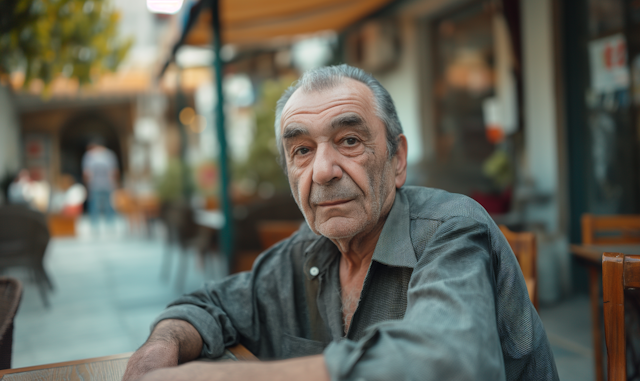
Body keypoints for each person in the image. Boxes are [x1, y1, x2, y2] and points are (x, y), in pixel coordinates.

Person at [123, 65, 559, 381]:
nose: (324, 170)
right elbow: (208, 306)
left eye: (349, 141)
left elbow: (448, 362)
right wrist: (158, 350)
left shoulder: (452, 229)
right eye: (302, 151)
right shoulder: (306, 251)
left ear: (398, 158)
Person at [82, 138, 119, 226]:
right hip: (107, 184)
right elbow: (114, 171)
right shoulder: (110, 154)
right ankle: (109, 223)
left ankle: (95, 224)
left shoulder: (89, 155)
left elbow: (86, 173)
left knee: (95, 204)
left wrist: (87, 185)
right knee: (108, 204)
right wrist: (115, 184)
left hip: (95, 184)